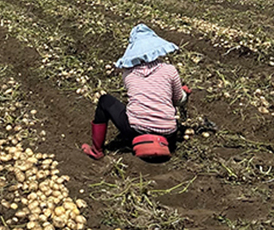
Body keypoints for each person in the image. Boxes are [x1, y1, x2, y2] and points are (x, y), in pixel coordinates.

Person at [80, 24, 199, 161]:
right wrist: (184, 93)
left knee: (105, 101)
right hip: (168, 134)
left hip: (134, 131)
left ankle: (97, 150)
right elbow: (178, 100)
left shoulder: (128, 75)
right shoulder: (170, 70)